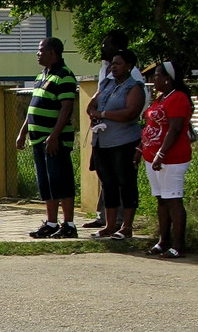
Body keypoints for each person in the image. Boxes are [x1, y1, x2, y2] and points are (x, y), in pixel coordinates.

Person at [84, 30, 147, 228]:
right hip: (103, 140)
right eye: (113, 64)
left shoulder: (133, 83)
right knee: (108, 182)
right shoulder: (107, 79)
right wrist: (95, 114)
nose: (103, 49)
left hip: (124, 140)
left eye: (106, 45)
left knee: (124, 182)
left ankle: (124, 224)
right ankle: (108, 223)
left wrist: (103, 115)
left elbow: (132, 111)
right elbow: (93, 105)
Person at [18, 37, 78, 238]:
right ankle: (51, 223)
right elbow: (33, 107)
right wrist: (23, 131)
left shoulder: (64, 76)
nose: (38, 54)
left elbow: (66, 108)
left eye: (41, 50)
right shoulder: (42, 76)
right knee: (46, 183)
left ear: (53, 53)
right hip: (37, 139)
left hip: (54, 140)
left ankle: (68, 224)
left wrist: (54, 135)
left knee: (61, 180)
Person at [138, 60, 194, 259]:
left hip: (171, 158)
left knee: (173, 199)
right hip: (152, 157)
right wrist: (141, 149)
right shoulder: (161, 98)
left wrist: (161, 153)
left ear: (168, 79)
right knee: (161, 200)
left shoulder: (178, 98)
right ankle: (163, 241)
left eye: (158, 75)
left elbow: (176, 128)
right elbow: (151, 124)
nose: (154, 79)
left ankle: (179, 245)